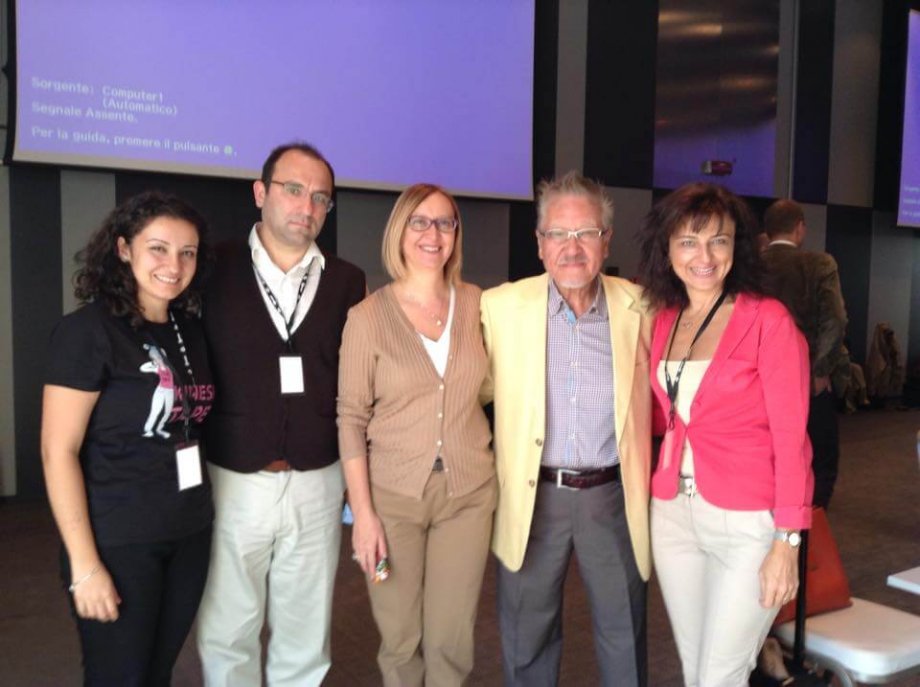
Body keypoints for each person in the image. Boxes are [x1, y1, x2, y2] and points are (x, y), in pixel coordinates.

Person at [196, 142, 366, 686]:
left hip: (318, 479)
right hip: (234, 478)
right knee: (228, 625)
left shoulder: (347, 281)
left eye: (320, 197)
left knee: (305, 628)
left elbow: (353, 382)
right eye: (294, 189)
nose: (307, 206)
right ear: (260, 192)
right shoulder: (211, 267)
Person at [636, 183, 813, 686]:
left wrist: (788, 541)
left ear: (738, 248)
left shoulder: (767, 321)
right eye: (689, 241)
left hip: (748, 523)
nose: (705, 256)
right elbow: (672, 414)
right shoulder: (666, 319)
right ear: (667, 249)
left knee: (721, 675)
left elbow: (792, 440)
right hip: (673, 515)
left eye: (719, 240)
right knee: (696, 670)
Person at [480, 171, 652, 687]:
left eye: (586, 233)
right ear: (539, 243)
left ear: (607, 241)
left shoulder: (641, 307)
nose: (572, 248)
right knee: (526, 637)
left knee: (624, 637)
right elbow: (467, 391)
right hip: (534, 497)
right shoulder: (499, 308)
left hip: (612, 497)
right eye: (558, 234)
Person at [41, 191, 215, 685]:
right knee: (119, 676)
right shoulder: (87, 332)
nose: (173, 265)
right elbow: (57, 451)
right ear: (123, 249)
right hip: (119, 541)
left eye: (187, 252)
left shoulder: (188, 329)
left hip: (188, 533)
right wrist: (84, 565)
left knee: (156, 672)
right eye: (158, 248)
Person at [337, 183, 496, 686]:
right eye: (419, 221)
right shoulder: (367, 317)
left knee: (452, 638)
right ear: (399, 231)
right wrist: (363, 514)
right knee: (400, 637)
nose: (433, 233)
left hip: (468, 495)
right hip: (392, 502)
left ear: (456, 234)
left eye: (445, 222)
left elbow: (496, 385)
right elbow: (350, 418)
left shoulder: (478, 305)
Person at [762, 199, 848, 509]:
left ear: (768, 231)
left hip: (759, 380)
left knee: (767, 453)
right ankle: (811, 521)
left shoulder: (748, 267)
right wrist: (821, 370)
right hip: (808, 380)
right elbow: (836, 320)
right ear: (800, 228)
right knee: (819, 457)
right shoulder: (819, 265)